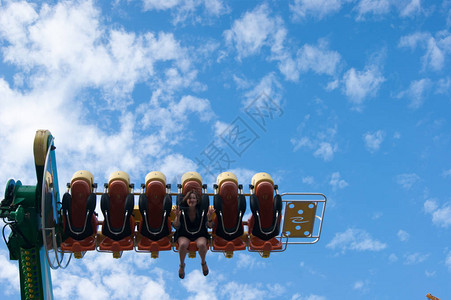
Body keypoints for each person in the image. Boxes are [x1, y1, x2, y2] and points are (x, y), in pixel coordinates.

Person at [173, 190, 214, 279]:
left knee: (202, 245)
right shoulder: (182, 210)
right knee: (183, 244)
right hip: (184, 234)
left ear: (197, 200)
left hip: (199, 234)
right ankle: (182, 265)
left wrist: (209, 217)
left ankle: (203, 263)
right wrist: (177, 216)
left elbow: (210, 226)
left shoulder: (202, 211)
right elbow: (176, 226)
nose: (192, 200)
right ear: (186, 200)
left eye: (194, 198)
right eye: (189, 198)